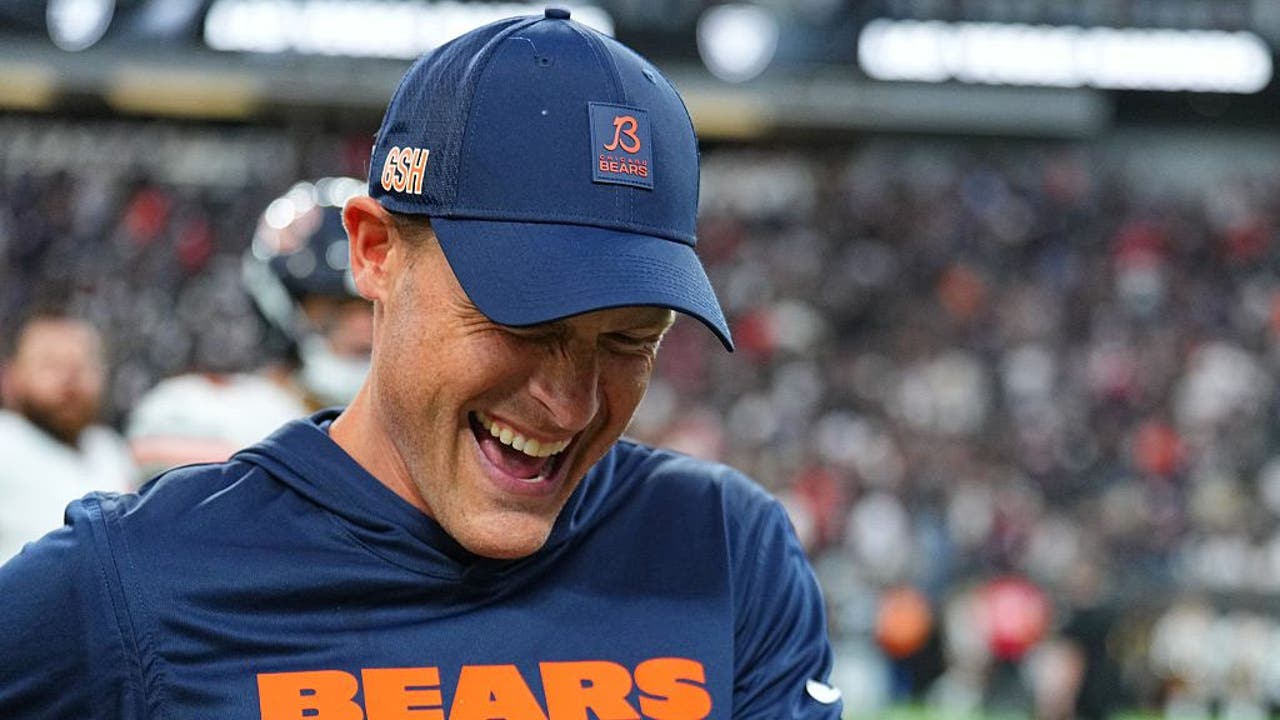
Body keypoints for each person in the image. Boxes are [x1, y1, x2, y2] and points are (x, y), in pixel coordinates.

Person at [0, 10, 841, 719]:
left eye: (629, 340)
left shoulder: (726, 552)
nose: (571, 402)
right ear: (374, 252)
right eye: (524, 318)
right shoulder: (131, 585)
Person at [125, 177, 371, 479]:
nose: (364, 329)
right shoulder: (209, 413)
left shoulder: (409, 432)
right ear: (282, 303)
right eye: (336, 308)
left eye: (375, 307)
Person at [0, 313, 135, 561]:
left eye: (80, 366)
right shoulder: (6, 441)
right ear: (10, 377)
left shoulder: (110, 449)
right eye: (50, 365)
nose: (69, 379)